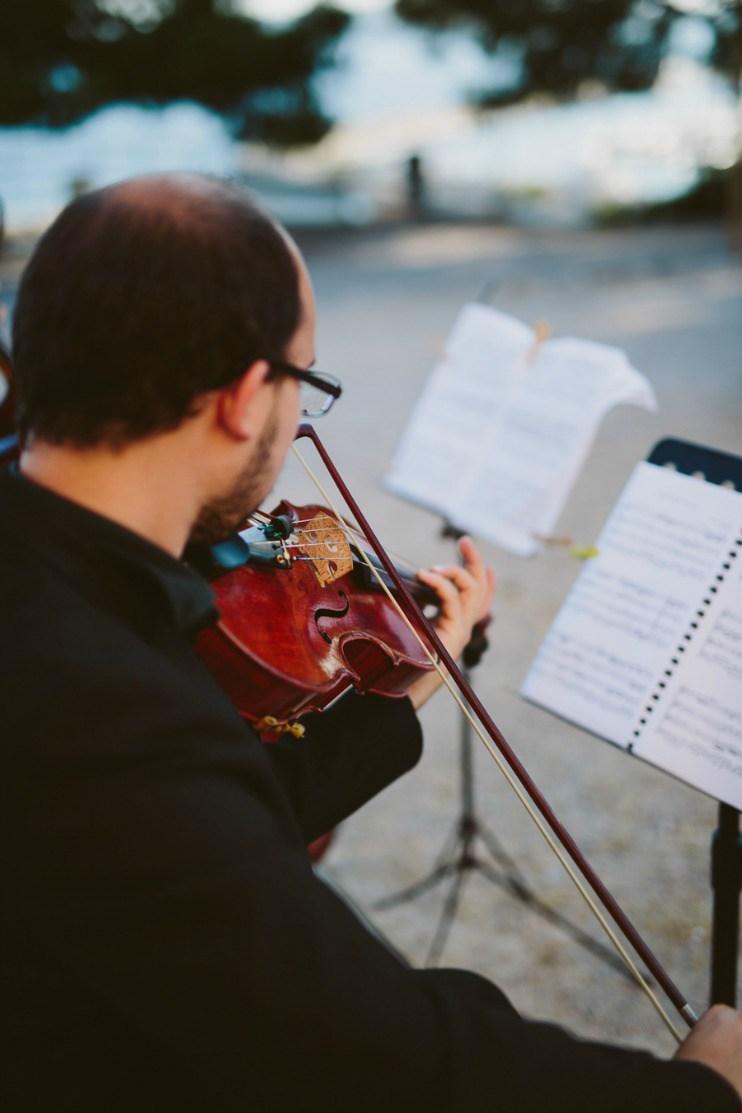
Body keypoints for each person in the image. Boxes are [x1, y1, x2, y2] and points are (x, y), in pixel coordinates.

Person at [1, 174, 740, 1113]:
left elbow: (202, 823)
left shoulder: (62, 601)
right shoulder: (105, 710)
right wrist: (695, 1093)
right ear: (241, 397)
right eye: (305, 383)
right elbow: (380, 1056)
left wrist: (406, 675)